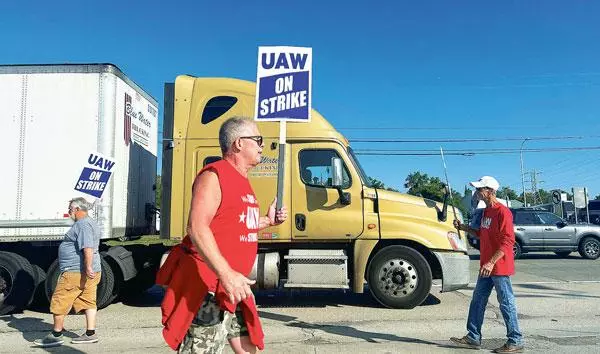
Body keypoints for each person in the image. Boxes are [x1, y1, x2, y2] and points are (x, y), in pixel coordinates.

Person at [157, 116, 288, 354]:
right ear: (239, 143)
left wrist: (268, 221)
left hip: (234, 284)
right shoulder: (214, 176)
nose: (261, 145)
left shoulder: (243, 181)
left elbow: (235, 225)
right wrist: (225, 274)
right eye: (258, 139)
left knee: (248, 345)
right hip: (208, 284)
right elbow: (197, 227)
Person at [450, 176, 524, 353]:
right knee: (478, 300)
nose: (476, 193)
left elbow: (508, 241)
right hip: (487, 266)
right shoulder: (486, 212)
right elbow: (482, 234)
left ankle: (516, 340)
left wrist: (491, 262)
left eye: (479, 189)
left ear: (490, 191)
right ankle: (473, 337)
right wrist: (463, 227)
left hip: (498, 266)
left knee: (506, 302)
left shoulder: (502, 212)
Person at [34, 197, 102, 347]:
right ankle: (90, 334)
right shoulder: (89, 223)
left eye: (70, 209)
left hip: (76, 272)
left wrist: (88, 266)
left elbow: (87, 247)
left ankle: (56, 335)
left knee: (60, 300)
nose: (69, 212)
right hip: (87, 271)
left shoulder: (83, 225)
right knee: (88, 301)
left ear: (77, 210)